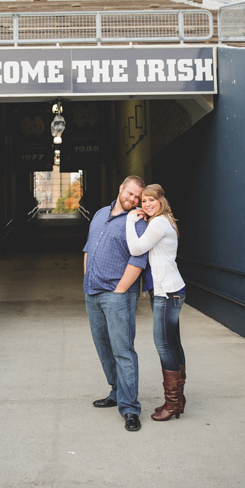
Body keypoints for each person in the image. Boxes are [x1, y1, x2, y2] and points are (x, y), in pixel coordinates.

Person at [82, 176, 148, 433]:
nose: (133, 200)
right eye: (130, 194)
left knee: (123, 350)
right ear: (120, 188)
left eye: (137, 198)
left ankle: (130, 408)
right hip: (93, 293)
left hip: (117, 295)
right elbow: (88, 249)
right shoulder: (99, 214)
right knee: (104, 348)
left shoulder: (137, 221)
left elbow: (138, 259)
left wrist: (120, 290)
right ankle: (116, 391)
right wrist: (86, 280)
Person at [126, 181, 188, 421]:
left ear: (161, 201)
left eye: (151, 199)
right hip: (170, 290)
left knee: (164, 346)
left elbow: (137, 248)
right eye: (144, 201)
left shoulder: (161, 222)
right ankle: (178, 400)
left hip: (167, 293)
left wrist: (131, 221)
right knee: (173, 344)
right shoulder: (164, 220)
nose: (147, 204)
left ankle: (172, 403)